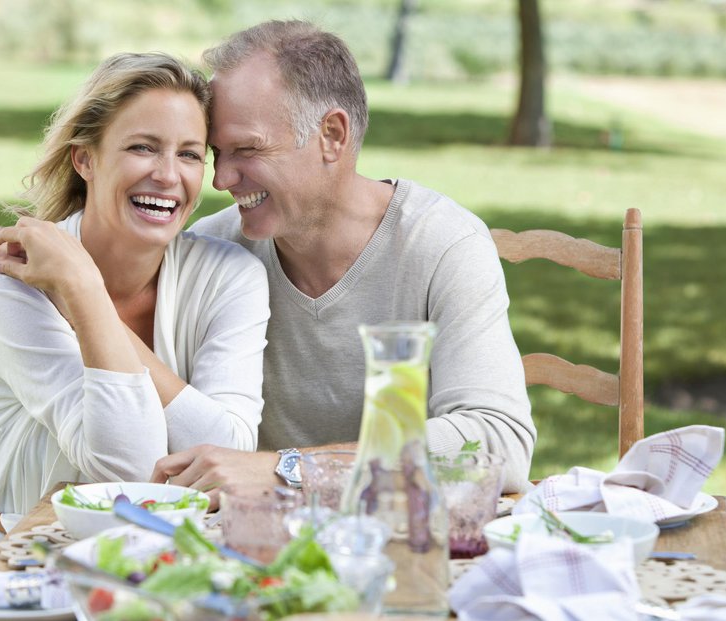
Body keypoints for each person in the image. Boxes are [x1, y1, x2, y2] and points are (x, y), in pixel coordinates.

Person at [152, 20, 535, 497]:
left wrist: (290, 470)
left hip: (402, 542)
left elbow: (500, 443)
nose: (222, 179)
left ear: (332, 135)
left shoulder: (443, 247)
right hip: (251, 547)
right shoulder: (213, 250)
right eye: (216, 154)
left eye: (246, 150)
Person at [0, 52, 269, 566]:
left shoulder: (230, 275)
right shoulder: (11, 281)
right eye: (143, 147)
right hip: (11, 559)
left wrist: (84, 294)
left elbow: (229, 447)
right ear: (84, 159)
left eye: (188, 155)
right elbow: (126, 468)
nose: (167, 175)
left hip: (162, 559)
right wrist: (85, 293)